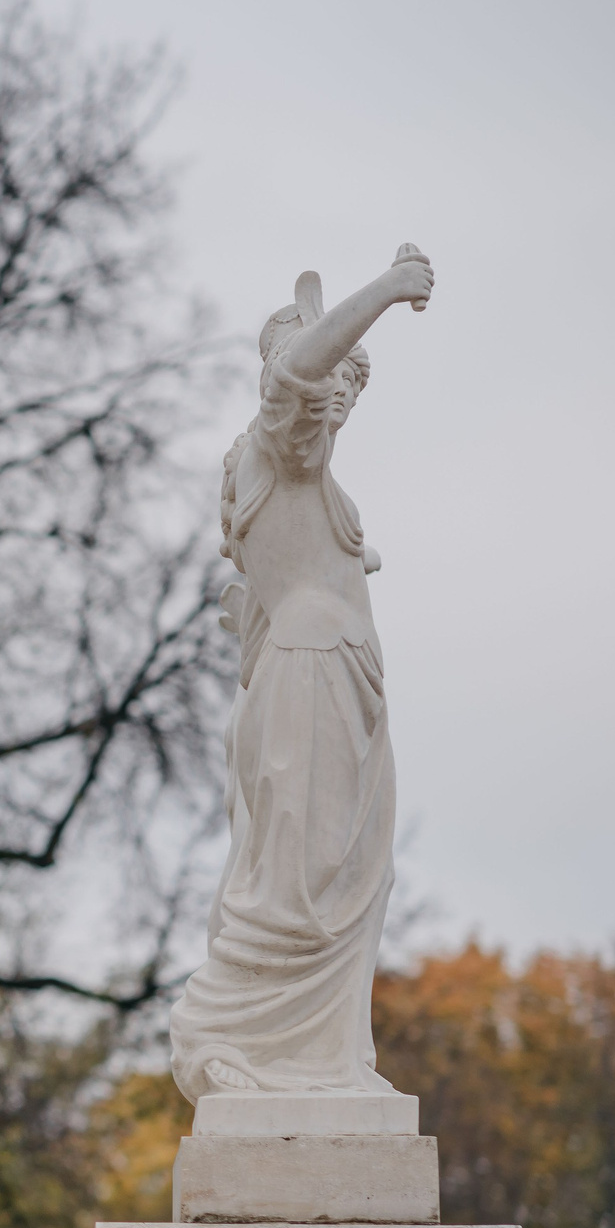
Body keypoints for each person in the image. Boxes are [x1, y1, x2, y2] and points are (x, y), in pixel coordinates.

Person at [169, 248, 436, 1101]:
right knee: (300, 890)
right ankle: (229, 1039)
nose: (342, 394)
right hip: (314, 676)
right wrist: (389, 291)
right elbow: (299, 372)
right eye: (337, 373)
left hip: (335, 682)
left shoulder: (291, 467)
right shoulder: (284, 440)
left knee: (350, 883)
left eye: (357, 385)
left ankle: (325, 1064)